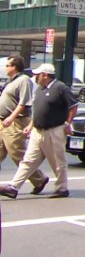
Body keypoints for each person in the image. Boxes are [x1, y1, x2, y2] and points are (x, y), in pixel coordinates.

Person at [0, 62, 77, 199]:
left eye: (38, 75)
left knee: (57, 162)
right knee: (28, 160)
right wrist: (30, 125)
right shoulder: (40, 90)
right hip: (37, 130)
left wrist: (68, 123)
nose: (36, 77)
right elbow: (38, 111)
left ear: (45, 75)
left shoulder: (60, 88)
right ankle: (14, 187)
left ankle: (62, 188)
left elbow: (73, 106)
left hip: (54, 130)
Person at [0, 55, 48, 195]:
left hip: (15, 122)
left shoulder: (23, 80)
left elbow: (24, 103)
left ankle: (39, 179)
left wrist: (11, 117)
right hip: (2, 121)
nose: (5, 68)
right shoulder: (10, 81)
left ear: (14, 67)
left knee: (17, 154)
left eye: (7, 65)